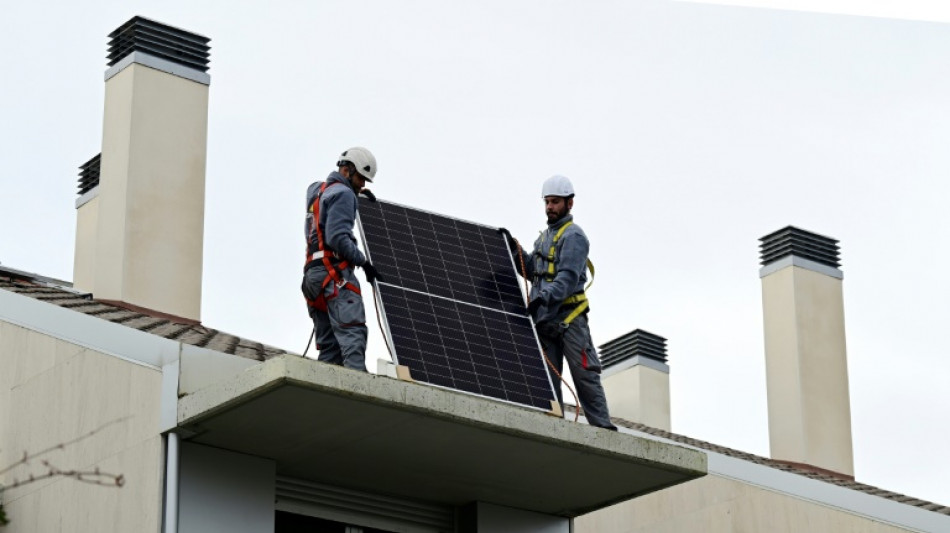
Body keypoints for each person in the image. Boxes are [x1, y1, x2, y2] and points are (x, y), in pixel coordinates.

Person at [501, 175, 617, 430]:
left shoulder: (574, 236)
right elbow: (533, 270)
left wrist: (542, 298)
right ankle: (552, 423)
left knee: (584, 375)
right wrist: (514, 249)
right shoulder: (544, 238)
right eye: (547, 202)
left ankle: (602, 429)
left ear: (569, 203)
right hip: (544, 319)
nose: (550, 207)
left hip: (569, 318)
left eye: (555, 202)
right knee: (547, 377)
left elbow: (566, 279)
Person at [301, 147, 383, 372]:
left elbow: (325, 206)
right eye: (360, 179)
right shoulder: (344, 194)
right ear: (346, 171)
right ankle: (359, 395)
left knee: (330, 350)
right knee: (352, 337)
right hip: (335, 277)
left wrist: (356, 194)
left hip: (313, 278)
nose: (362, 185)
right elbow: (337, 237)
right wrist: (363, 262)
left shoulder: (317, 190)